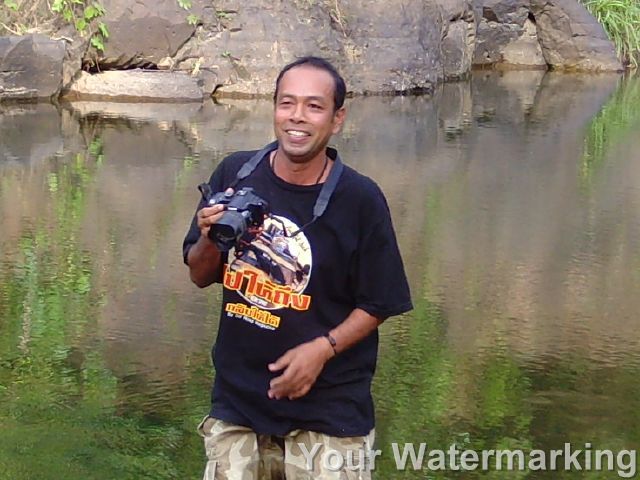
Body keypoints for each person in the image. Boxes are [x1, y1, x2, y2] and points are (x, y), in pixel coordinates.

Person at [182, 56, 412, 479]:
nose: (297, 117)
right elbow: (199, 275)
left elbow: (380, 301)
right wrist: (210, 236)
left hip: (329, 412)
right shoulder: (236, 172)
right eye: (287, 103)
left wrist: (322, 349)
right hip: (238, 404)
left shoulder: (359, 199)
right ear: (274, 108)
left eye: (314, 106)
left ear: (337, 119)